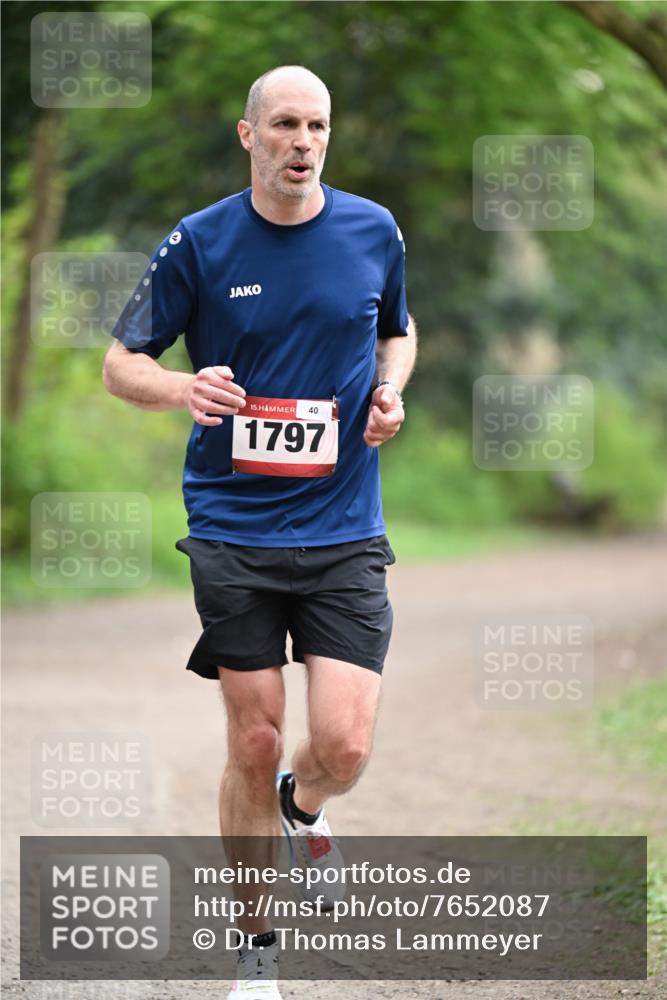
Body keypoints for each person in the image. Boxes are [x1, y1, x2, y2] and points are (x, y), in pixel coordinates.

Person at [104, 64, 416, 999]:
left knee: (345, 746)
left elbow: (396, 330)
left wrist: (392, 388)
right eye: (284, 125)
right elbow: (122, 365)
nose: (303, 143)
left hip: (345, 527)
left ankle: (302, 804)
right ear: (249, 136)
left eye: (317, 126)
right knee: (252, 738)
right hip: (233, 527)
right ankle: (257, 951)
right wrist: (179, 387)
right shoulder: (199, 243)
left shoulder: (372, 230)